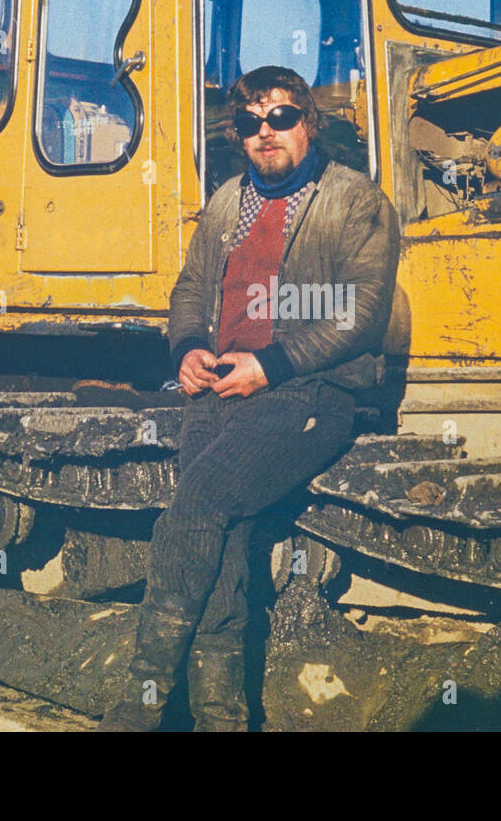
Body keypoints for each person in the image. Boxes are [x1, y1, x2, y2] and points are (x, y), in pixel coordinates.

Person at [98, 65, 399, 731]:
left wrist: (272, 363)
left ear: (309, 123)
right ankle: (221, 718)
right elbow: (189, 287)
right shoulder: (228, 201)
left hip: (309, 392)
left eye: (282, 117)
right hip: (217, 390)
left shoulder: (355, 201)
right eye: (252, 122)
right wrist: (185, 349)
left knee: (198, 503)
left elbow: (364, 311)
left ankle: (137, 710)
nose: (267, 133)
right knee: (223, 539)